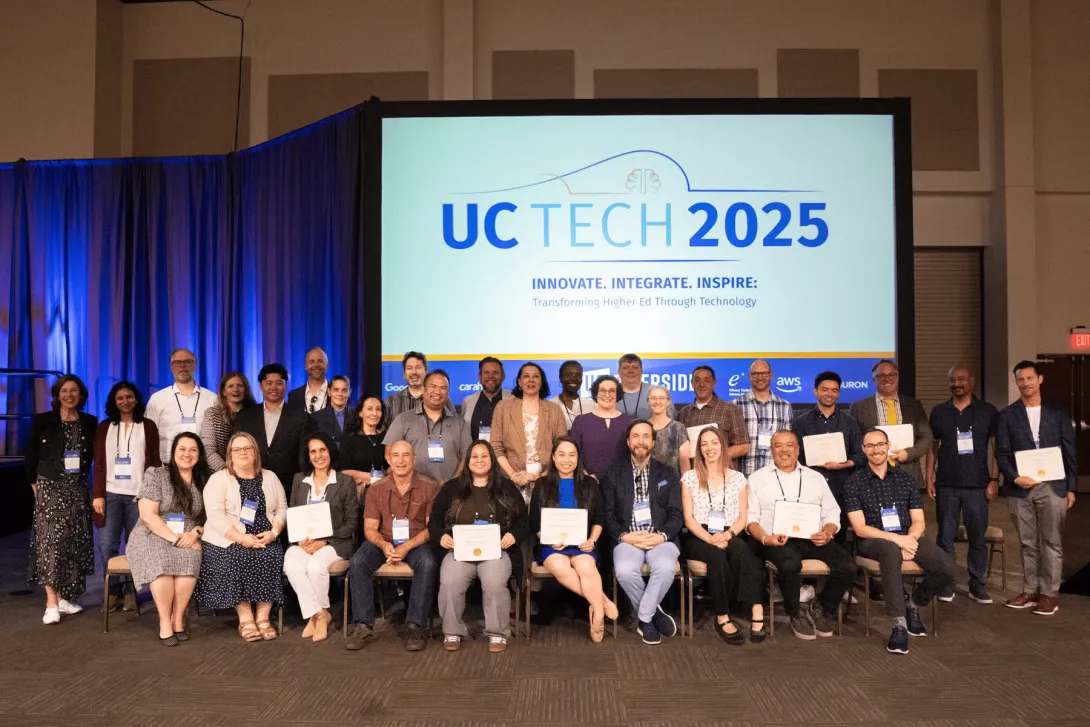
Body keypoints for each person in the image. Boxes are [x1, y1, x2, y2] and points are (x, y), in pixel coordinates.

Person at [845, 428, 955, 654]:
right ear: (864, 450)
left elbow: (918, 521)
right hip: (873, 541)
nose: (876, 450)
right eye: (870, 446)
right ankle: (899, 624)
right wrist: (898, 541)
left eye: (880, 444)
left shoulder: (906, 480)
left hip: (907, 536)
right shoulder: (854, 482)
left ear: (888, 446)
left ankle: (914, 602)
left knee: (946, 567)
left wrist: (910, 540)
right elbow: (860, 528)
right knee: (890, 551)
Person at [746, 430, 854, 641]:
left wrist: (828, 532)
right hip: (776, 540)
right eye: (778, 446)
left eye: (789, 445)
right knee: (789, 565)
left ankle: (821, 607)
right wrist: (766, 539)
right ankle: (794, 613)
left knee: (847, 566)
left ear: (797, 449)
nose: (784, 450)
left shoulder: (816, 478)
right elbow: (751, 518)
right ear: (771, 450)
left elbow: (832, 512)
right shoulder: (757, 479)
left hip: (814, 538)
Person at [430, 441, 529, 653]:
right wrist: (441, 537)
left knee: (494, 583)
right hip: (459, 551)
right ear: (467, 461)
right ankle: (452, 631)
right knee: (449, 582)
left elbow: (524, 521)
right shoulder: (451, 488)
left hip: (496, 551)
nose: (479, 460)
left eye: (484, 456)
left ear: (492, 460)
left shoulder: (506, 487)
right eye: (474, 456)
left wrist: (513, 535)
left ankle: (497, 633)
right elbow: (435, 522)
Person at [996, 360, 1077, 616]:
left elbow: (1069, 450)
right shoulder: (1007, 415)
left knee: (1051, 542)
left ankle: (1049, 595)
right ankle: (1030, 591)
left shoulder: (1058, 412)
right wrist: (1014, 477)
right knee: (1027, 543)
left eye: (1030, 378)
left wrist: (1071, 487)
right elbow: (1002, 453)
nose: (1025, 383)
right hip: (1021, 488)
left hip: (1053, 486)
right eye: (1020, 379)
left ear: (1039, 379)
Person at [346, 440, 440, 652]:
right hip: (384, 541)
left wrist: (406, 547)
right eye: (395, 455)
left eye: (405, 455)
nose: (400, 460)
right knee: (358, 561)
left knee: (428, 562)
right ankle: (363, 624)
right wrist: (382, 543)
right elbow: (370, 528)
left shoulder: (430, 487)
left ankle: (415, 625)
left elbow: (430, 529)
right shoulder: (376, 489)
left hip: (416, 543)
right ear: (388, 459)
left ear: (414, 459)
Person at [197, 432, 288, 642]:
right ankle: (246, 619)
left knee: (271, 556)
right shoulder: (219, 479)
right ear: (229, 454)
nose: (243, 453)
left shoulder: (270, 477)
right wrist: (241, 538)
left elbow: (282, 508)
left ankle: (263, 618)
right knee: (238, 556)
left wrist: (274, 533)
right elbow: (215, 516)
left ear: (255, 452)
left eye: (248, 448)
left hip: (265, 535)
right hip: (227, 538)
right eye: (237, 449)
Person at [601, 420, 683, 645]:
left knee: (666, 567)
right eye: (635, 436)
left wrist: (662, 536)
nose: (641, 441)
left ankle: (644, 618)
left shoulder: (668, 473)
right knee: (625, 571)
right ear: (628, 442)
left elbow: (677, 513)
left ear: (654, 442)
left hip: (660, 538)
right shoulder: (613, 474)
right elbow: (607, 514)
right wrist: (624, 536)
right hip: (628, 539)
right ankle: (654, 614)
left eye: (646, 436)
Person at [528, 437, 618, 642]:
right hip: (553, 545)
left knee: (586, 566)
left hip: (581, 543)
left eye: (571, 455)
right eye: (561, 454)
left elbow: (599, 518)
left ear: (578, 459)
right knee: (559, 566)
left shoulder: (590, 484)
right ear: (553, 457)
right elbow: (534, 521)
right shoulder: (542, 484)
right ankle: (600, 606)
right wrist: (548, 539)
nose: (566, 460)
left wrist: (592, 541)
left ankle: (597, 611)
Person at [681, 427, 765, 645]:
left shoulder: (737, 478)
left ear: (723, 445)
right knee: (716, 557)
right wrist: (710, 539)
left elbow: (742, 517)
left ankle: (756, 607)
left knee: (743, 551)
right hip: (698, 534)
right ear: (699, 449)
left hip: (730, 530)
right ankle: (722, 616)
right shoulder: (689, 477)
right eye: (704, 444)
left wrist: (726, 535)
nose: (710, 448)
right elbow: (689, 519)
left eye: (714, 442)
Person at [26, 374, 98, 624]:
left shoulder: (90, 422)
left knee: (75, 543)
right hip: (50, 486)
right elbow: (31, 455)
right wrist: (35, 485)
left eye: (74, 391)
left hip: (78, 488)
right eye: (64, 391)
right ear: (57, 395)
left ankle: (67, 596)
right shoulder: (44, 421)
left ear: (81, 395)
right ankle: (51, 601)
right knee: (51, 544)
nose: (69, 395)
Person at [126, 432, 209, 646]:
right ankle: (164, 621)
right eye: (182, 449)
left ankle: (178, 618)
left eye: (193, 450)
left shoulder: (205, 480)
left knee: (190, 558)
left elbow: (213, 517)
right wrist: (174, 539)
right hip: (153, 531)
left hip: (189, 532)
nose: (187, 454)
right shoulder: (156, 474)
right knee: (162, 560)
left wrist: (195, 533)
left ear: (199, 455)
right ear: (173, 452)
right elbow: (147, 515)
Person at [925, 365, 999, 604]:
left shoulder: (987, 411)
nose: (957, 383)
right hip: (947, 484)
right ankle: (946, 582)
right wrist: (929, 476)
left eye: (962, 379)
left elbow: (996, 448)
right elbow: (932, 447)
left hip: (978, 485)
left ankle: (977, 583)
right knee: (944, 537)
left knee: (977, 537)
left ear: (972, 381)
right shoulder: (939, 412)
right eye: (953, 380)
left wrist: (994, 479)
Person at [92, 381, 162, 613]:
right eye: (120, 398)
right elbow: (99, 464)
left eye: (129, 397)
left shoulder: (148, 426)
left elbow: (154, 462)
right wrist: (97, 495)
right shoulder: (104, 427)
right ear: (114, 401)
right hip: (110, 494)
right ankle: (112, 591)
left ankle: (131, 590)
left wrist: (152, 496)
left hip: (138, 497)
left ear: (136, 399)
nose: (125, 401)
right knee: (107, 545)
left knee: (136, 546)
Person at [284, 432, 359, 643]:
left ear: (330, 452)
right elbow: (293, 513)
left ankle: (317, 616)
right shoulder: (299, 479)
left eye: (322, 450)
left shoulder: (344, 481)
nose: (318, 456)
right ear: (308, 456)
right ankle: (320, 614)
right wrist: (300, 540)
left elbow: (351, 523)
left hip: (335, 542)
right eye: (313, 451)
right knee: (292, 564)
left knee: (315, 566)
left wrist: (324, 541)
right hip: (305, 541)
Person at [790, 371, 865, 530]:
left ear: (838, 393)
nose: (829, 394)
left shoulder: (849, 422)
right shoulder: (800, 422)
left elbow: (860, 454)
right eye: (824, 389)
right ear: (815, 391)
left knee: (840, 532)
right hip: (809, 487)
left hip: (842, 486)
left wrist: (845, 464)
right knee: (809, 529)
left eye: (834, 390)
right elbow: (793, 456)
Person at [849, 359, 934, 488]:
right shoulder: (859, 407)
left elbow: (927, 437)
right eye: (881, 375)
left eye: (892, 375)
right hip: (870, 475)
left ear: (898, 377)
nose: (887, 379)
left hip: (908, 472)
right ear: (874, 380)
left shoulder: (913, 405)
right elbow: (853, 440)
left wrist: (909, 453)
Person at [490, 362, 567, 504]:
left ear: (542, 381)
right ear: (519, 381)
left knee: (541, 523)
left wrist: (544, 476)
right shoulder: (503, 408)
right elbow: (495, 447)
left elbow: (562, 448)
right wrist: (513, 475)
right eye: (526, 376)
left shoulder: (554, 410)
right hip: (510, 483)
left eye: (536, 376)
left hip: (546, 482)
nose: (531, 380)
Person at [236, 363, 310, 499]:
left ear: (285, 385)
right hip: (249, 486)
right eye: (269, 383)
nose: (273, 387)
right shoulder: (245, 416)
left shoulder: (301, 417)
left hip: (288, 489)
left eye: (278, 383)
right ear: (261, 385)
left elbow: (304, 457)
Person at [384, 370, 471, 483]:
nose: (437, 391)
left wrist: (453, 483)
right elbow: (389, 453)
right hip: (413, 490)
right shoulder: (403, 419)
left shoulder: (460, 423)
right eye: (433, 386)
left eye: (443, 388)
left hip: (450, 491)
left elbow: (466, 456)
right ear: (424, 389)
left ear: (448, 393)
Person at [144, 348, 217, 463]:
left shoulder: (212, 398)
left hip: (202, 467)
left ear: (195, 365)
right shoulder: (157, 399)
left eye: (188, 361)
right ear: (171, 367)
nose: (183, 366)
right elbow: (149, 436)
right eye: (177, 362)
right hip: (167, 466)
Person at [676, 365, 749, 464]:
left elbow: (743, 447)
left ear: (714, 383)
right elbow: (679, 449)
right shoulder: (683, 414)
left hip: (723, 475)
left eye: (707, 380)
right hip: (693, 476)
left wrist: (715, 456)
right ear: (692, 383)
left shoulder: (730, 410)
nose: (702, 384)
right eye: (697, 380)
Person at [733, 360, 795, 476]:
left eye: (764, 373)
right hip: (744, 475)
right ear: (749, 377)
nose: (760, 377)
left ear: (771, 375)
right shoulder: (736, 405)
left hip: (775, 476)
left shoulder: (785, 406)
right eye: (755, 374)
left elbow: (788, 444)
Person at [569, 375, 635, 479]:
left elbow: (635, 454)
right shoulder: (581, 421)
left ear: (618, 394)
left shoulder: (630, 422)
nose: (607, 394)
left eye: (612, 391)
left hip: (623, 485)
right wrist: (584, 475)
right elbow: (573, 452)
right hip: (588, 484)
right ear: (596, 393)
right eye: (602, 390)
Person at [200, 371, 257, 472]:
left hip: (250, 472)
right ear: (223, 391)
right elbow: (208, 450)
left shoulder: (256, 413)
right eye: (230, 386)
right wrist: (227, 472)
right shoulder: (212, 414)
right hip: (220, 474)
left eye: (239, 385)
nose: (236, 389)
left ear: (245, 390)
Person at [383, 351, 454, 427]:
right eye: (409, 368)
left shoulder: (442, 400)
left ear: (426, 372)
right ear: (404, 374)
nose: (414, 372)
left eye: (418, 367)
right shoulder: (391, 403)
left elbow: (454, 428)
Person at [340, 394, 388, 496]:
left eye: (378, 409)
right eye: (370, 409)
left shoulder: (386, 437)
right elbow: (344, 471)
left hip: (385, 492)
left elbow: (392, 466)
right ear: (361, 413)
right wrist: (374, 478)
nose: (374, 413)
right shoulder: (350, 438)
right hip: (358, 493)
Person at [461, 356, 511, 441]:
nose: (490, 376)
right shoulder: (468, 401)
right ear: (480, 377)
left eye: (495, 372)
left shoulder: (513, 399)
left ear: (503, 376)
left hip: (505, 454)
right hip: (475, 453)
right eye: (486, 372)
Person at [648, 385, 691, 474]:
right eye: (653, 398)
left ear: (668, 401)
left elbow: (685, 466)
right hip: (648, 484)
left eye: (661, 398)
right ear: (648, 401)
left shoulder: (679, 428)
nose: (657, 401)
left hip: (673, 485)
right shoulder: (643, 427)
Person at [616, 353, 674, 419]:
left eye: (635, 367)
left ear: (641, 371)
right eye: (626, 368)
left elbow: (670, 422)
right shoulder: (610, 393)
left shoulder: (656, 392)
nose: (630, 371)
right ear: (619, 372)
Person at [549, 360, 597, 430]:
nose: (574, 378)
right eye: (569, 375)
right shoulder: (550, 405)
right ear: (560, 378)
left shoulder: (592, 405)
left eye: (578, 375)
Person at [309, 374, 353, 444]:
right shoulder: (315, 418)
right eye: (336, 390)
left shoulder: (358, 416)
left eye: (344, 390)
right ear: (329, 392)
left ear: (349, 392)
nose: (340, 394)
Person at [287, 347, 330, 413]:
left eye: (320, 361)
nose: (316, 365)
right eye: (312, 361)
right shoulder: (293, 396)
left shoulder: (340, 393)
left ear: (327, 365)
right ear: (306, 366)